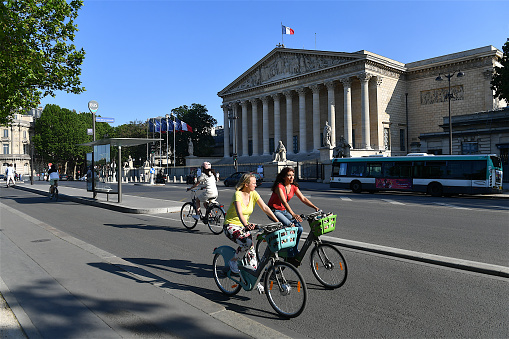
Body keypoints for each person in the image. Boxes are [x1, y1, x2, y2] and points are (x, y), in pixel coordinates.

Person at [223, 172, 279, 275]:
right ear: (246, 184)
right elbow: (239, 212)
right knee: (247, 243)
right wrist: (246, 225)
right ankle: (233, 261)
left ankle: (254, 276)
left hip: (244, 227)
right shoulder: (237, 194)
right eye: (253, 183)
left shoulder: (254, 193)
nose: (256, 185)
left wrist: (277, 221)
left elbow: (265, 208)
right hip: (231, 225)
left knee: (252, 252)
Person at [267, 167, 320, 265]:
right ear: (283, 177)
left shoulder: (293, 187)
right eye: (289, 175)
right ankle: (287, 253)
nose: (291, 177)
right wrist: (293, 214)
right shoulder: (279, 186)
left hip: (283, 211)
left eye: (292, 175)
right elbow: (284, 202)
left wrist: (315, 207)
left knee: (299, 229)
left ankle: (292, 251)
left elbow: (303, 198)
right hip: (274, 211)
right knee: (291, 226)